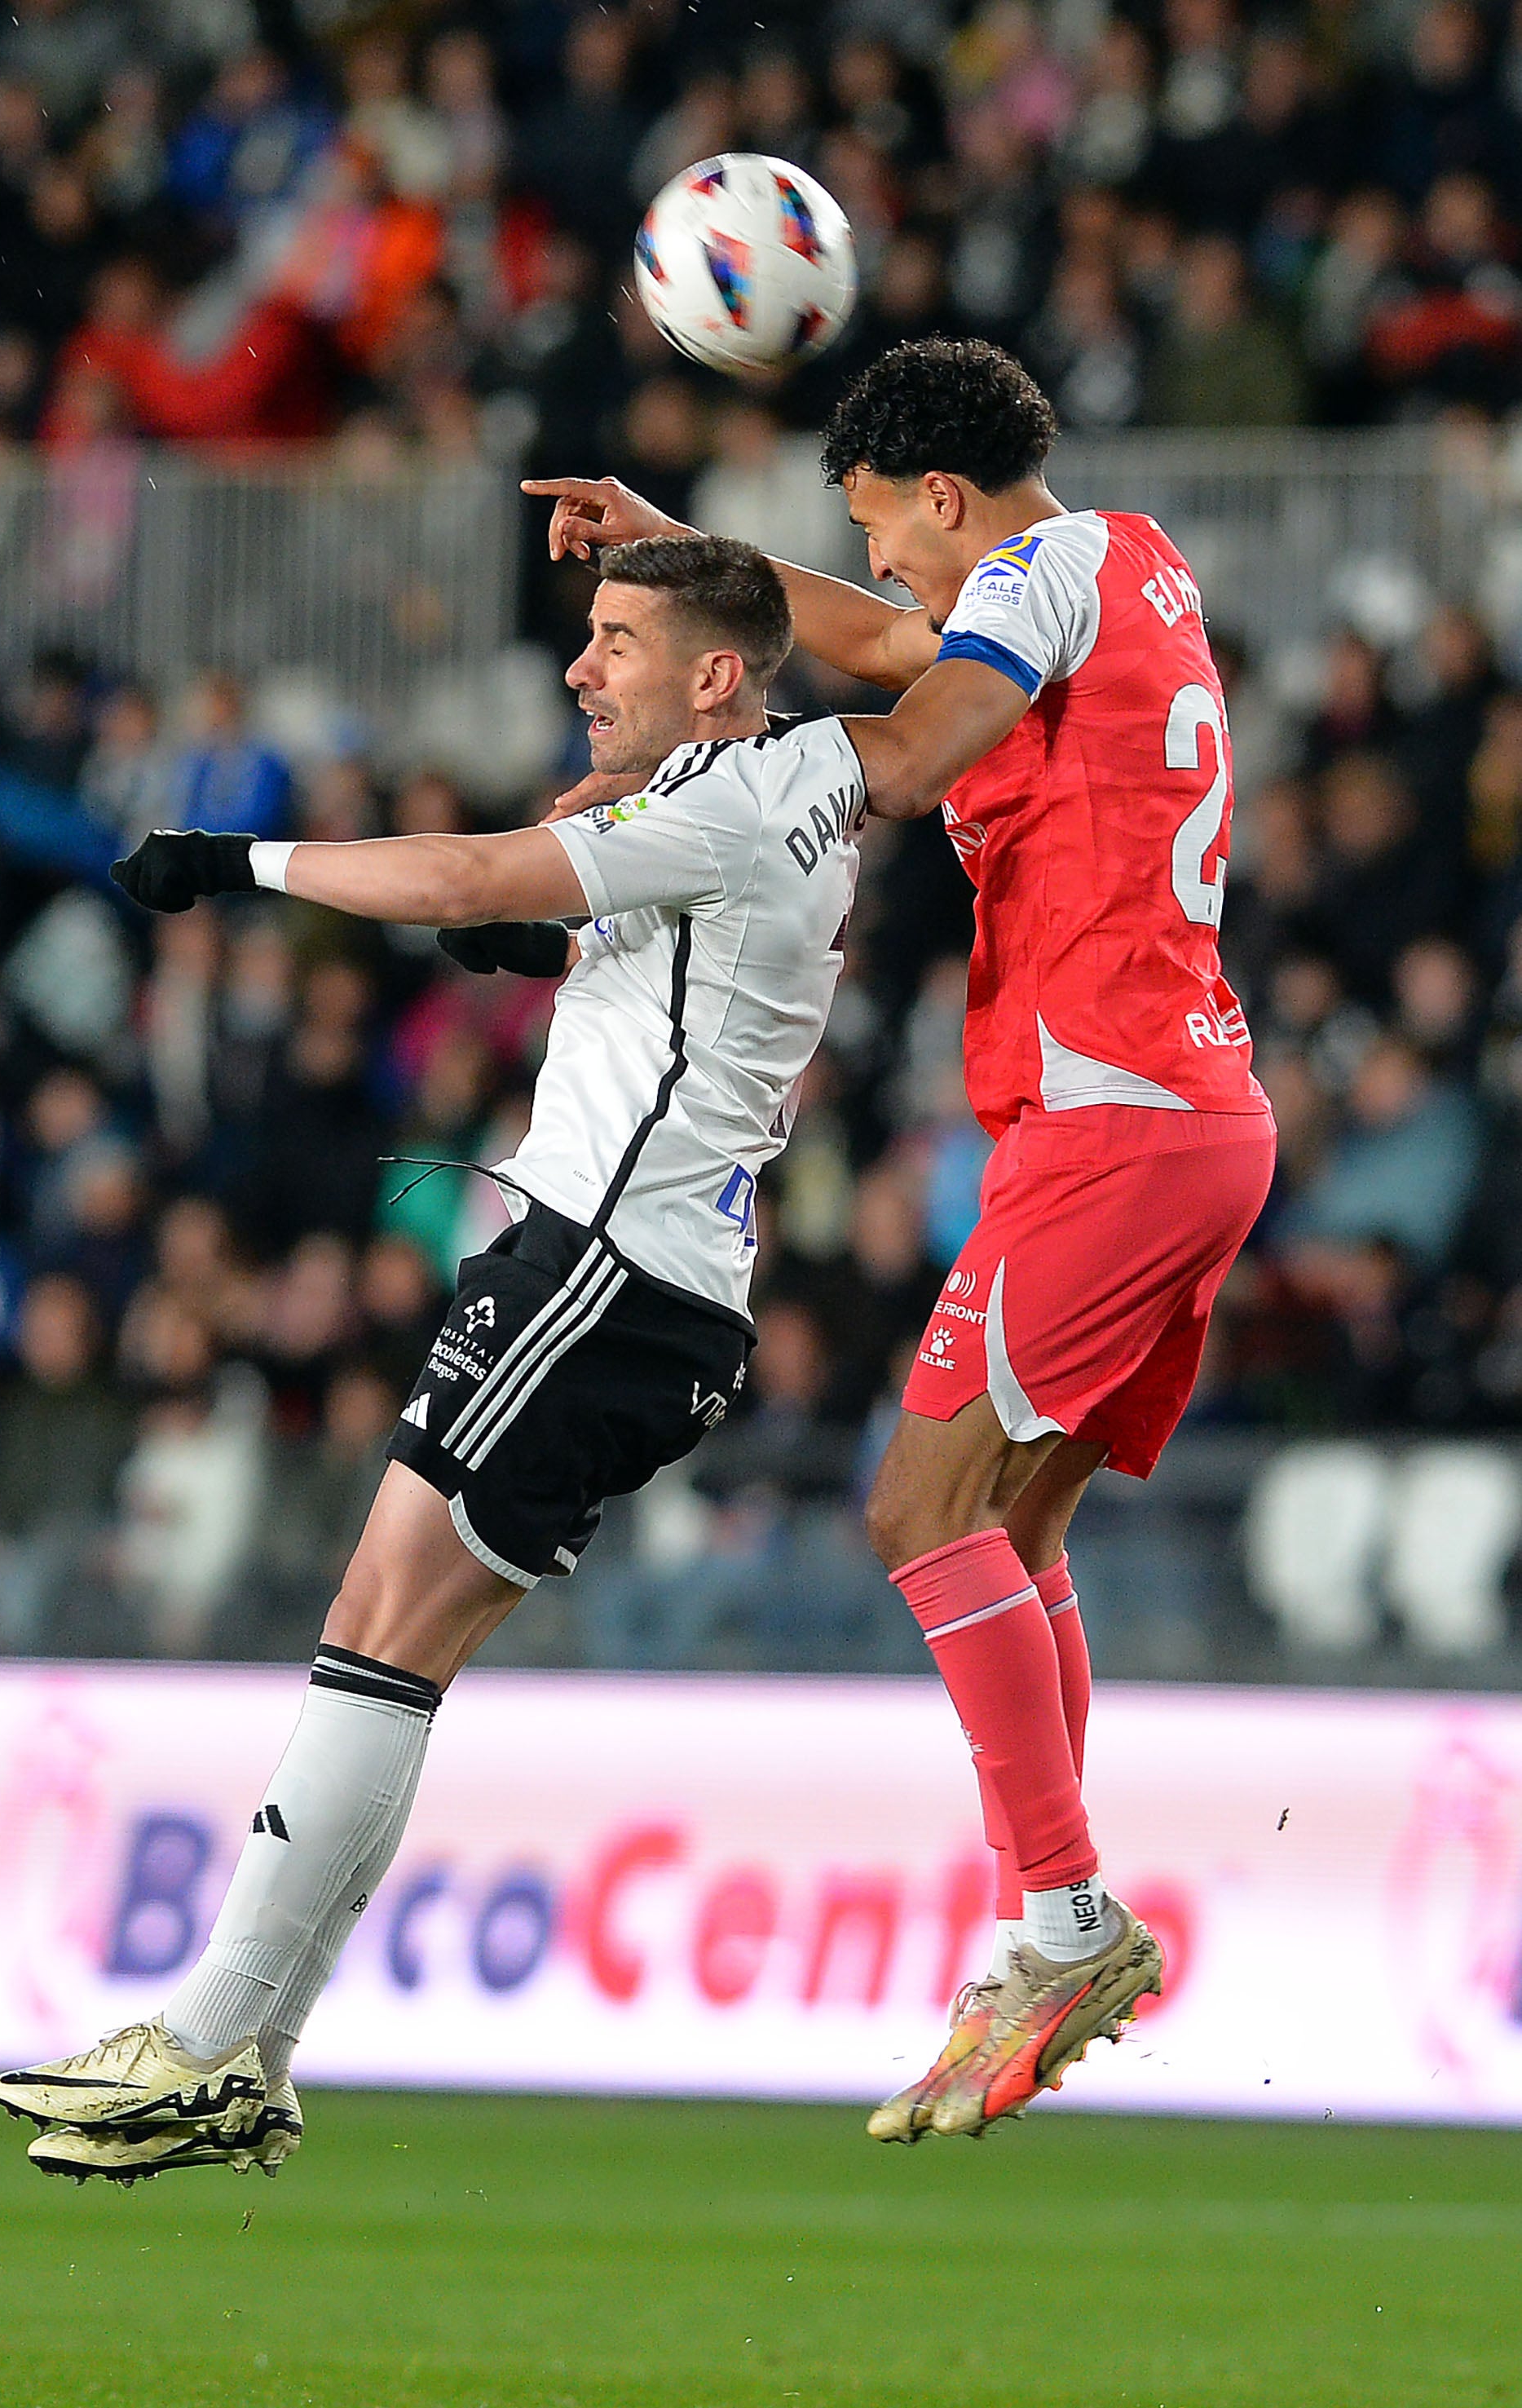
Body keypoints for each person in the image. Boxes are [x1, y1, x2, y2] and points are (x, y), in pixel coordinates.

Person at [0, 532, 868, 2180]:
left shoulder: (713, 803)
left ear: (717, 677)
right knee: (395, 1656)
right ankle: (249, 2051)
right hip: (666, 1292)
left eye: (615, 640)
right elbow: (609, 911)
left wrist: (237, 862)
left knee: (370, 1620)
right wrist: (556, 932)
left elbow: (470, 879)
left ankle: (203, 2039)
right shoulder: (793, 784)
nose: (576, 666)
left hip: (596, 1269)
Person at [526, 334, 1277, 2141]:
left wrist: (697, 786)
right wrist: (688, 549)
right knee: (1010, 1526)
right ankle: (1050, 1911)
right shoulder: (1125, 562)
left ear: (944, 500)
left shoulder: (1021, 581)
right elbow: (890, 644)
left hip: (1104, 1117)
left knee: (911, 1508)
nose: (885, 576)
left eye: (885, 535)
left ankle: (1062, 1915)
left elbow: (920, 729)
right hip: (1186, 1117)